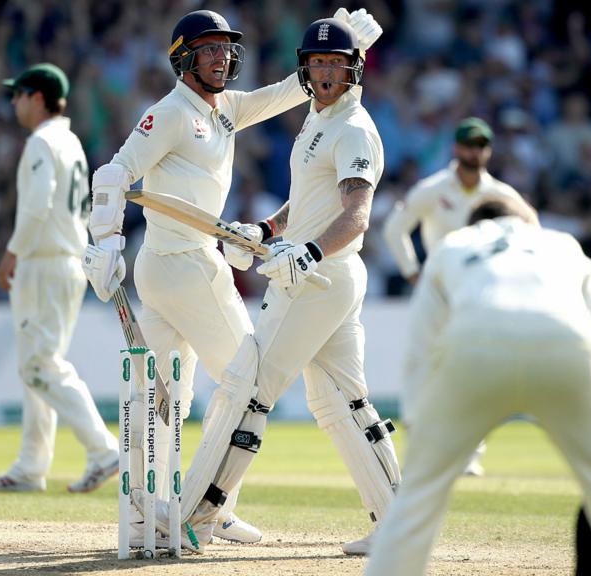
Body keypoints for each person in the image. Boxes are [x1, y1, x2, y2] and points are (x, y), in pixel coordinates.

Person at [82, 8, 377, 546]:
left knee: (170, 391)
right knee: (245, 381)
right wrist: (102, 241)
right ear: (184, 59)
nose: (222, 57)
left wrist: (342, 46)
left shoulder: (225, 111)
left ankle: (151, 513)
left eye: (226, 49)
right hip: (185, 264)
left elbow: (295, 88)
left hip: (174, 265)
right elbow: (115, 172)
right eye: (210, 49)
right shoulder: (171, 112)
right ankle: (207, 512)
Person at [172, 14, 395, 556]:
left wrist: (311, 250)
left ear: (354, 69)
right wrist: (269, 229)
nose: (324, 73)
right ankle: (399, 523)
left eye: (335, 65)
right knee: (342, 401)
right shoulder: (317, 119)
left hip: (319, 276)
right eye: (316, 63)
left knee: (249, 388)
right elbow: (312, 201)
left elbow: (357, 214)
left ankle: (199, 514)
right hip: (320, 274)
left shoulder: (354, 127)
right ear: (305, 68)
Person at [365, 196, 591, 576]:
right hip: (568, 345)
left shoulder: (454, 245)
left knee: (416, 500)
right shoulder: (561, 243)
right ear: (528, 222)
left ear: (472, 225)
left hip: (476, 346)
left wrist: (417, 419)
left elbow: (421, 344)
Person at [0, 63, 119, 494]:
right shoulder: (71, 141)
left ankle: (103, 450)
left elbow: (38, 205)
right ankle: (31, 466)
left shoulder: (42, 141)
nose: (14, 102)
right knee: (38, 365)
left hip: (45, 262)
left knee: (39, 365)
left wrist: (12, 252)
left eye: (18, 94)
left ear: (37, 97)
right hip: (66, 260)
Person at [382, 117, 534, 477]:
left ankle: (470, 453)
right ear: (456, 148)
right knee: (425, 365)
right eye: (469, 144)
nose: (474, 152)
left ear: (489, 150)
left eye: (481, 145)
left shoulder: (501, 196)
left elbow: (532, 231)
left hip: (481, 294)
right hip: (437, 291)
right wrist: (413, 272)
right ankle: (422, 445)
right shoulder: (434, 189)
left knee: (477, 369)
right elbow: (395, 228)